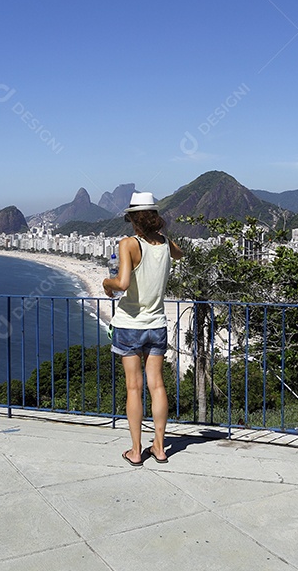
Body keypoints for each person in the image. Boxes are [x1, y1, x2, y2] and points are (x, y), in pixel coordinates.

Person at [102, 192, 184, 466]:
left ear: (133, 220)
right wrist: (161, 234)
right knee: (157, 385)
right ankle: (159, 448)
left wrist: (106, 282)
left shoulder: (128, 244)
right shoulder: (166, 244)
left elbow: (123, 283)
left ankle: (136, 451)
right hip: (157, 325)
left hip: (130, 325)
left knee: (134, 389)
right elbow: (180, 254)